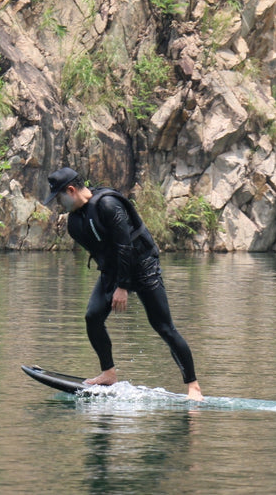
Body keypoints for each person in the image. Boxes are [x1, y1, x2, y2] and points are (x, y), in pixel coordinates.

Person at [43, 167, 204, 401]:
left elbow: (125, 246)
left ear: (71, 190)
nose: (59, 203)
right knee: (93, 317)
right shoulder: (75, 222)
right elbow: (104, 254)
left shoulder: (108, 204)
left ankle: (194, 386)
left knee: (163, 326)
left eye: (59, 197)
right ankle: (108, 373)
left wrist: (123, 286)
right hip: (114, 271)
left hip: (143, 266)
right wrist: (114, 280)